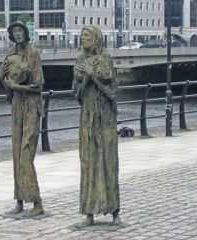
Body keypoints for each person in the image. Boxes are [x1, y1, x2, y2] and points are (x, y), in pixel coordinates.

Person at [72, 26, 121, 226]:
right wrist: (86, 79)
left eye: (86, 36)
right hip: (88, 118)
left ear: (96, 39)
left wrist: (93, 75)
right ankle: (89, 213)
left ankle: (115, 211)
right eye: (81, 36)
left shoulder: (106, 58)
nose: (82, 39)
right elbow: (78, 94)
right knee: (88, 163)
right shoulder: (79, 60)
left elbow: (112, 91)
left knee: (109, 162)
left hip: (106, 118)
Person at [0, 21, 45, 217]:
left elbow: (39, 85)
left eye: (20, 31)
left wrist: (17, 87)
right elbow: (5, 77)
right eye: (14, 31)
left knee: (26, 153)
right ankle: (19, 200)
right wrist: (5, 80)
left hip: (31, 106)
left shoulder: (33, 53)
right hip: (17, 105)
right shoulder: (10, 53)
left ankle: (37, 203)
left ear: (26, 33)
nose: (18, 34)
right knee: (17, 153)